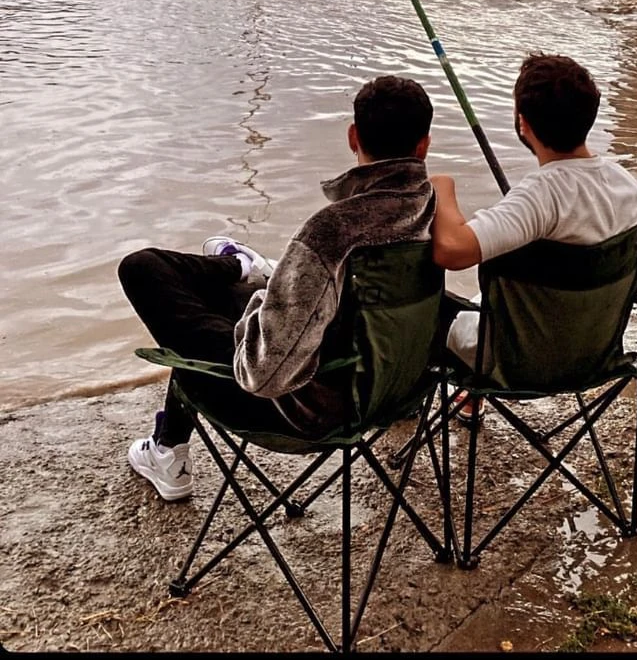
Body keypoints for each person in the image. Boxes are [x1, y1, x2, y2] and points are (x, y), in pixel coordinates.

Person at [118, 74, 436, 501]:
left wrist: (257, 311)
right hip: (389, 390)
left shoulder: (330, 232)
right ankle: (248, 271)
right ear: (424, 145)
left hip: (306, 412)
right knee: (207, 305)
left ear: (352, 136)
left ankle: (241, 268)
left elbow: (264, 376)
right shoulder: (437, 216)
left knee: (143, 269)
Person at [431, 52, 637, 388]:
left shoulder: (539, 197)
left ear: (523, 123)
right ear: (590, 115)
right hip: (595, 356)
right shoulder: (629, 187)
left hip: (514, 365)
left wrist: (442, 188)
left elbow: (451, 251)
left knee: (428, 309)